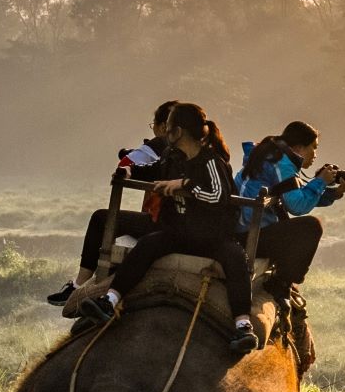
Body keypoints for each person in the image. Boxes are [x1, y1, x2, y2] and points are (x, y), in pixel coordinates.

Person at [78, 102, 259, 355]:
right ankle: (110, 300)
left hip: (212, 237)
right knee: (147, 245)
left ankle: (242, 324)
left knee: (236, 258)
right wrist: (129, 171)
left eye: (169, 127)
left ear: (178, 131)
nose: (164, 132)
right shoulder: (172, 157)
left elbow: (218, 195)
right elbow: (153, 171)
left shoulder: (211, 162)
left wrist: (184, 185)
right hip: (179, 231)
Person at [46, 99, 182, 305]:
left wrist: (130, 156)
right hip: (192, 226)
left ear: (165, 127)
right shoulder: (208, 153)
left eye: (154, 125)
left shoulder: (164, 149)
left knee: (101, 218)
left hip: (165, 223)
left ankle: (78, 285)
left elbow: (126, 164)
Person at [236, 121, 345, 310]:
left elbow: (298, 196)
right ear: (299, 147)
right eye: (313, 148)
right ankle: (281, 282)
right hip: (250, 234)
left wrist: (335, 191)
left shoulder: (271, 155)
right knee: (312, 227)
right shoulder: (281, 164)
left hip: (246, 228)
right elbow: (297, 206)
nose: (315, 154)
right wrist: (320, 181)